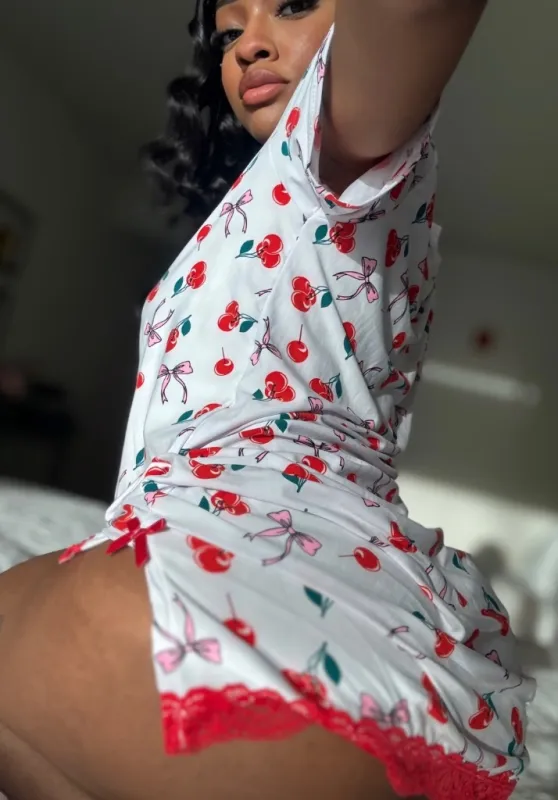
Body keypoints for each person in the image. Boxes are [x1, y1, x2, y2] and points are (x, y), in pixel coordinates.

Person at [0, 1, 535, 799]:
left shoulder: (338, 150)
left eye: (290, 4)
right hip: (297, 652)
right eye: (228, 33)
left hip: (284, 641)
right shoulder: (277, 194)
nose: (249, 44)